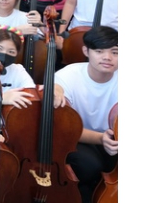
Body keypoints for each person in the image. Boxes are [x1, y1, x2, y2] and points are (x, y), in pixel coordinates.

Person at [53, 26, 118, 203]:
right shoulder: (69, 74)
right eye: (99, 51)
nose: (107, 57)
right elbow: (64, 127)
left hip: (114, 139)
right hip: (77, 138)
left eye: (115, 52)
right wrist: (55, 90)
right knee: (89, 166)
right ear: (86, 51)